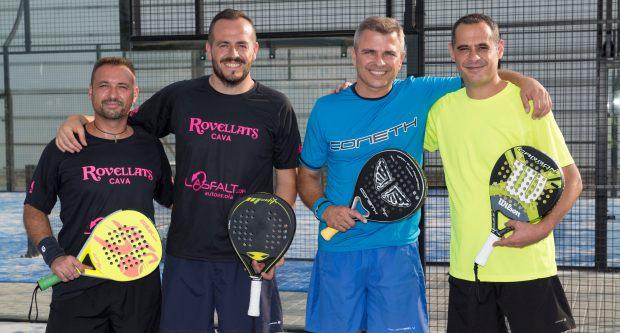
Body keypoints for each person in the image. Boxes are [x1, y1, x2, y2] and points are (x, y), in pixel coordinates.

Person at [297, 16, 552, 333]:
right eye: (369, 52)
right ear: (354, 54)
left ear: (401, 58)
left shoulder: (420, 93)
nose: (379, 62)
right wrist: (325, 209)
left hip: (397, 253)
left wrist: (526, 81)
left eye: (389, 53)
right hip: (338, 254)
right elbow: (306, 175)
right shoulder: (326, 109)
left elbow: (481, 75)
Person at [55, 9, 301, 333]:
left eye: (241, 45)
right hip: (186, 255)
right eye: (223, 45)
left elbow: (287, 180)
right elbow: (124, 124)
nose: (233, 54)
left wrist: (270, 245)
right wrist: (80, 120)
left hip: (246, 257)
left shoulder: (276, 107)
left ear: (255, 49)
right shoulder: (181, 97)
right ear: (208, 50)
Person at [424, 13, 581, 332]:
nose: (474, 56)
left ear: (500, 48)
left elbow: (572, 179)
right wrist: (352, 91)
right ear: (451, 52)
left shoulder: (528, 104)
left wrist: (541, 229)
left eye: (483, 46)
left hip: (528, 268)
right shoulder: (441, 111)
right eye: (464, 48)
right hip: (470, 270)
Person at [23, 56, 173, 332]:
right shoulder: (64, 146)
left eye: (122, 87)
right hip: (78, 284)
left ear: (135, 94)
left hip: (138, 287)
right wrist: (53, 255)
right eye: (104, 86)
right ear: (91, 92)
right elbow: (34, 207)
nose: (113, 94)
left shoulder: (150, 146)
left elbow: (170, 196)